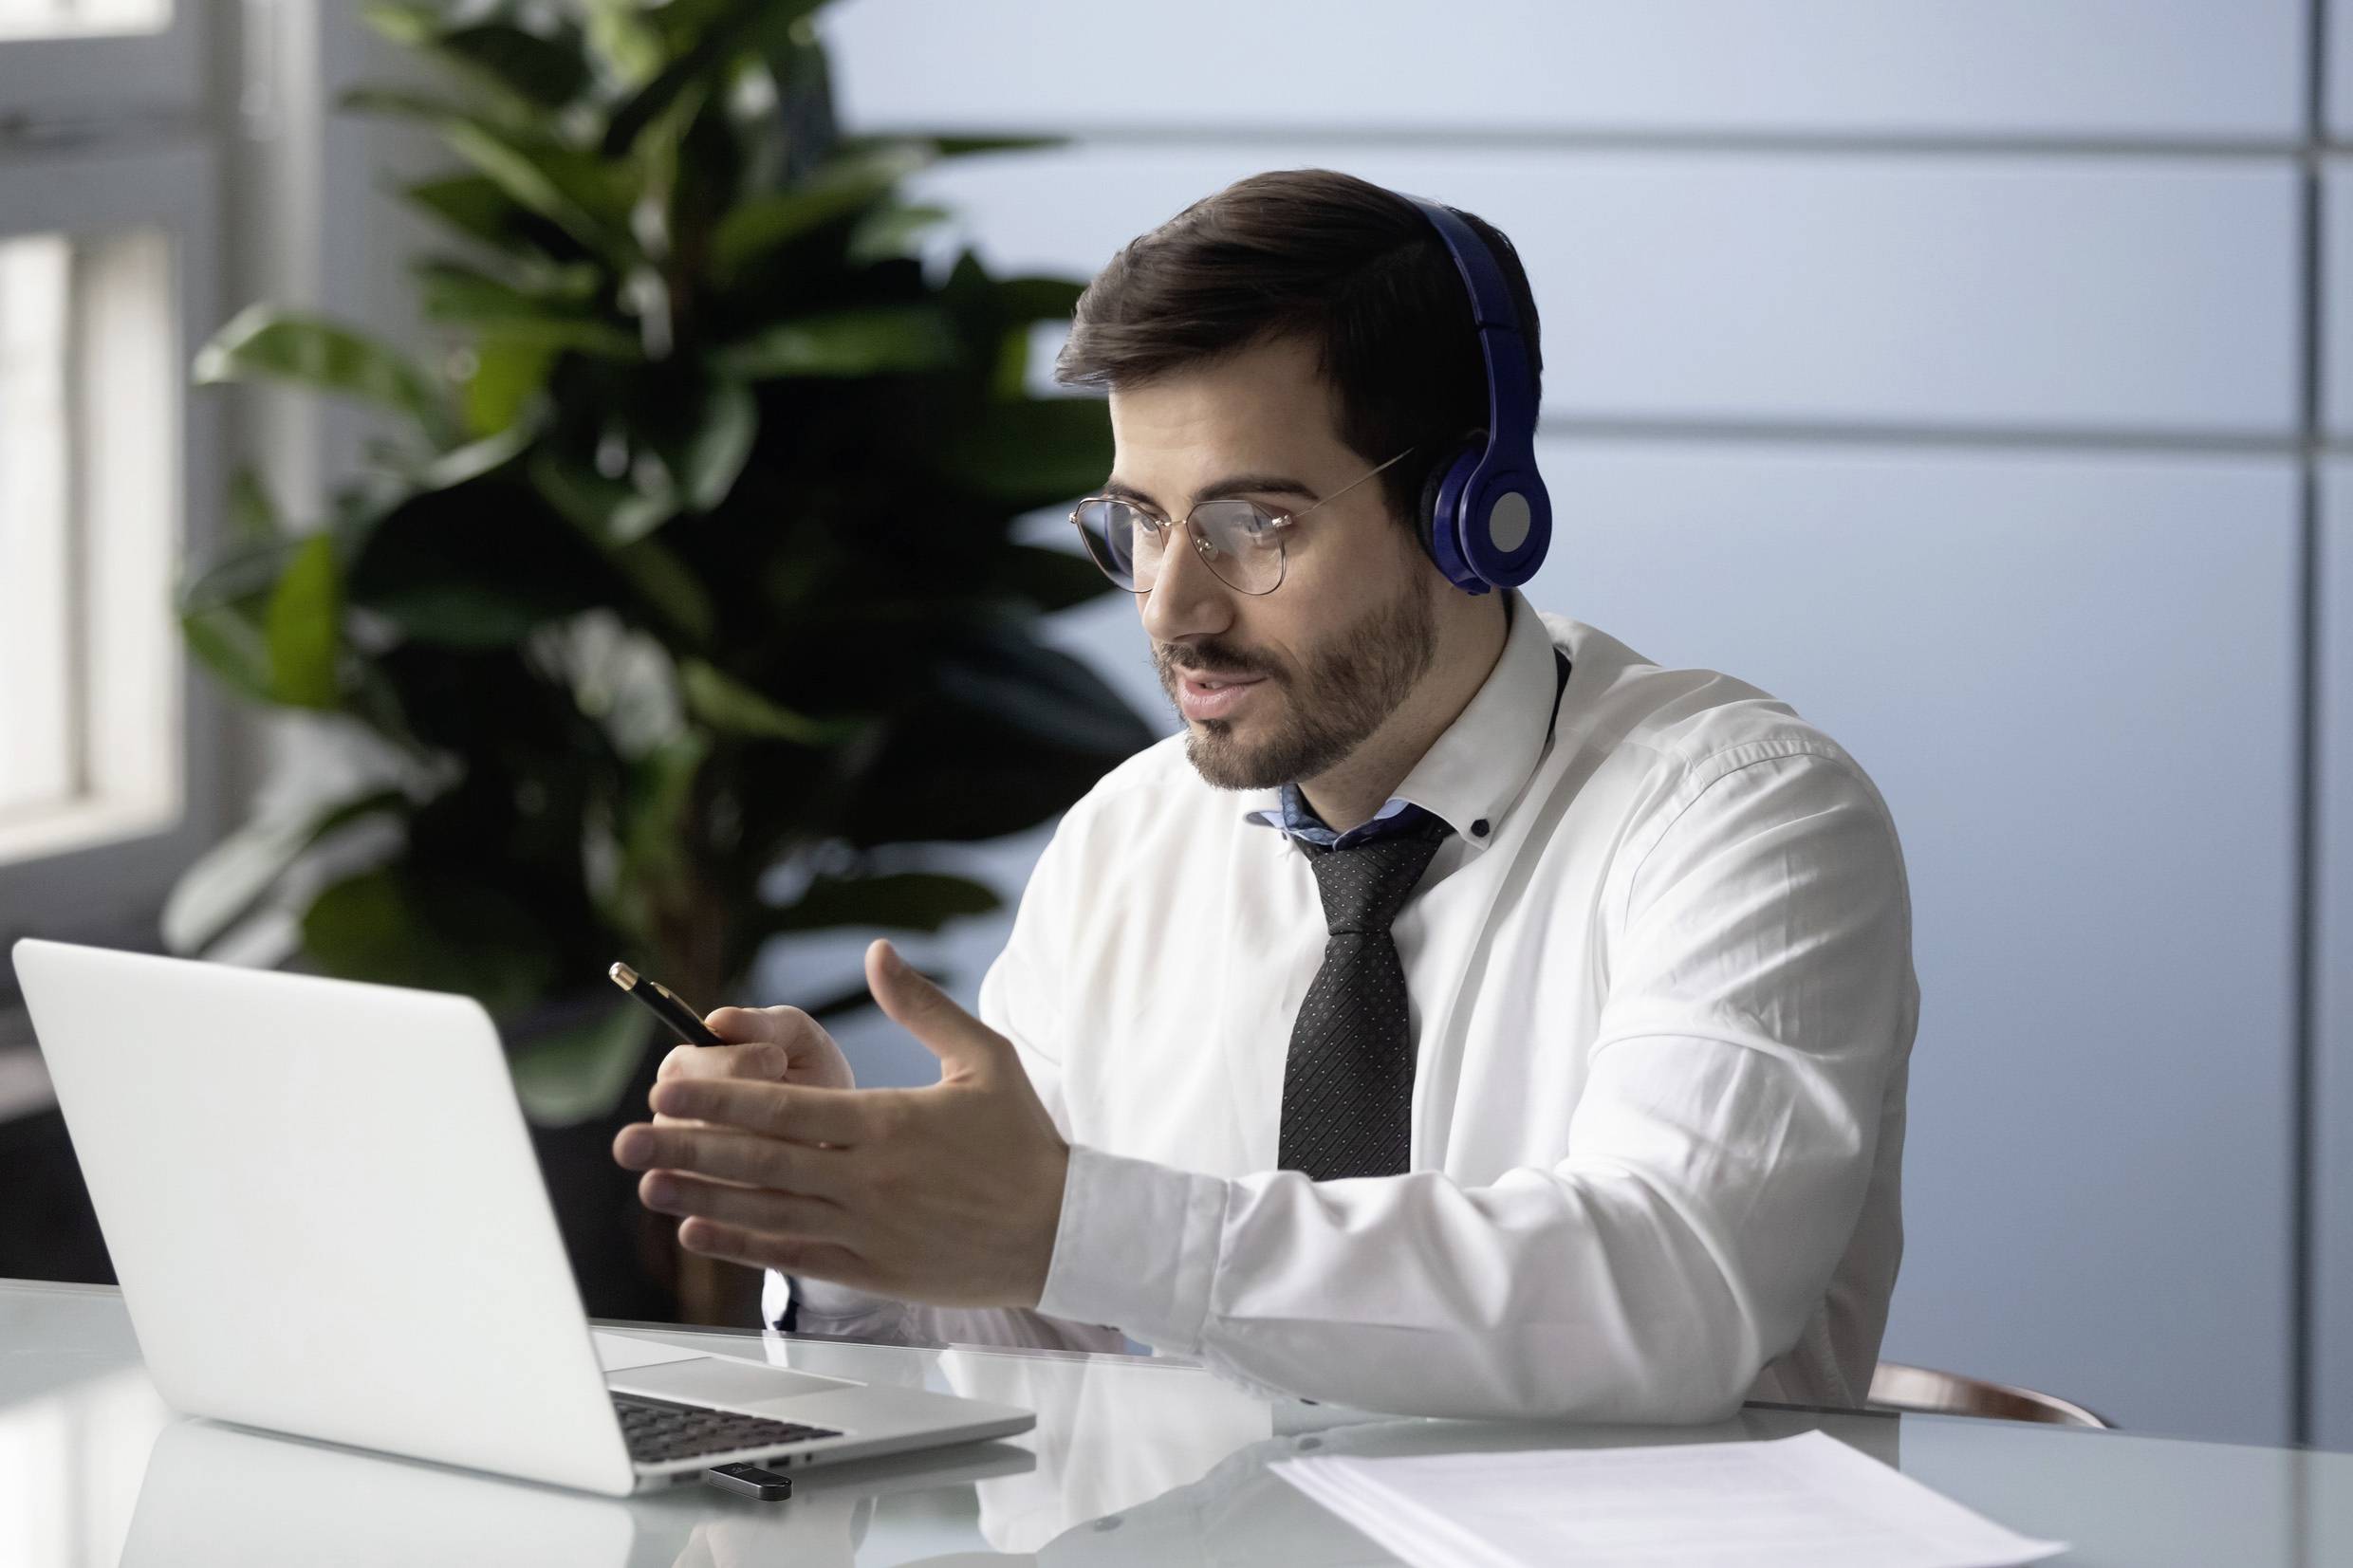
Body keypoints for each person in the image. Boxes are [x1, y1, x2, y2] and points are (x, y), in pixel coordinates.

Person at [611, 168, 1917, 1422]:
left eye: (1253, 526)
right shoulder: (1131, 832)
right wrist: (857, 1210)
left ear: (1476, 511)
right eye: (1140, 522)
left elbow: (1668, 1291)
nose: (1172, 607)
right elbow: (1027, 1334)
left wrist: (1077, 1219)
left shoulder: (1748, 817)